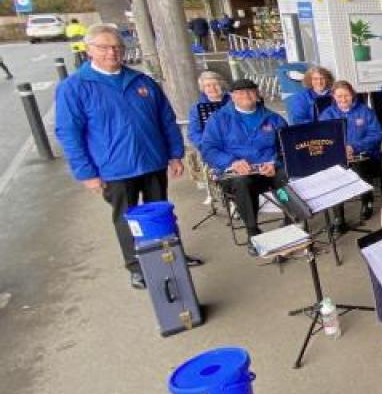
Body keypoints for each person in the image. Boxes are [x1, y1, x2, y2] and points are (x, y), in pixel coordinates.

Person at [55, 24, 197, 289]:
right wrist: (87, 174)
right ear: (89, 51)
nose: (113, 52)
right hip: (114, 168)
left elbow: (166, 120)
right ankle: (136, 265)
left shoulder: (142, 81)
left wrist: (175, 154)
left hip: (152, 161)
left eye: (118, 47)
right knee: (126, 219)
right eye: (104, 47)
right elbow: (69, 133)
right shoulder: (74, 87)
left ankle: (171, 255)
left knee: (161, 212)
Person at [201, 79, 288, 255]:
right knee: (242, 182)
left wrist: (274, 162)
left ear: (257, 94)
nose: (246, 95)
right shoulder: (218, 119)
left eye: (250, 91)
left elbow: (286, 147)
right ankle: (252, 232)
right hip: (236, 174)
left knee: (285, 174)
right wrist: (231, 162)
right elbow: (208, 150)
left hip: (268, 171)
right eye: (240, 93)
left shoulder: (274, 118)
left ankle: (291, 220)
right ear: (232, 97)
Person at [319, 80, 382, 227]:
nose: (343, 99)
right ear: (333, 96)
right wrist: (339, 151)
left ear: (352, 95)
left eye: (346, 96)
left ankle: (366, 200)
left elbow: (377, 134)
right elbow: (321, 140)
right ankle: (338, 216)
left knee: (360, 169)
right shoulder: (326, 115)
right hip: (337, 157)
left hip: (365, 154)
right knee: (333, 174)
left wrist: (354, 147)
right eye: (339, 96)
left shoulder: (365, 111)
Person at [187, 71, 229, 148]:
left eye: (216, 84)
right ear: (203, 89)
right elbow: (194, 133)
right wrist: (207, 146)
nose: (212, 88)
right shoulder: (196, 109)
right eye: (208, 86)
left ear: (221, 85)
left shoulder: (235, 101)